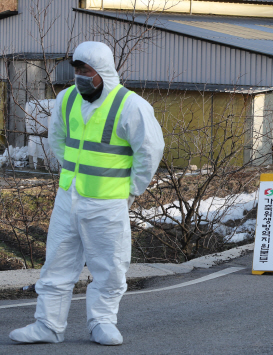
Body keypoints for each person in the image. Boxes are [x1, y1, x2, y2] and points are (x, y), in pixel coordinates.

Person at [9, 41, 165, 346]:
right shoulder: (67, 99)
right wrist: (73, 175)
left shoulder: (131, 106)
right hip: (69, 198)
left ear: (103, 71)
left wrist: (130, 191)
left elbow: (150, 151)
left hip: (107, 202)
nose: (80, 76)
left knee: (109, 267)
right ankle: (48, 326)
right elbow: (57, 139)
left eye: (86, 70)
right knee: (56, 264)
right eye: (77, 70)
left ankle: (102, 322)